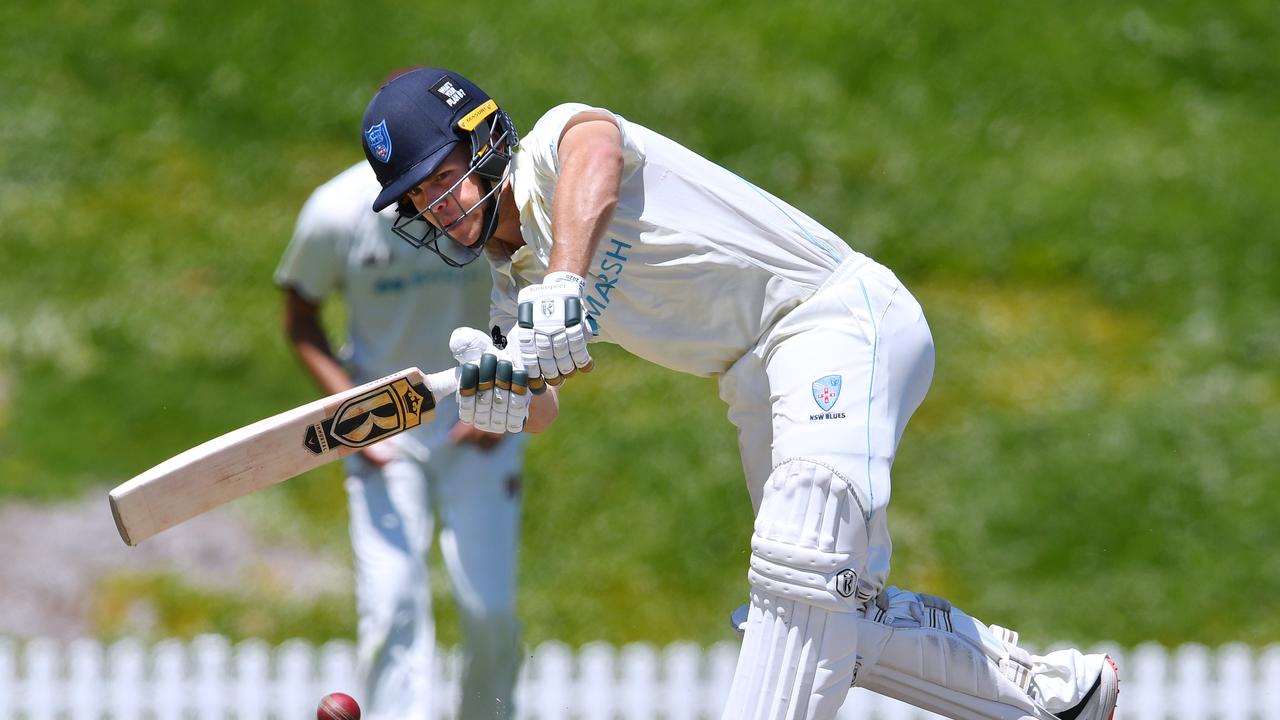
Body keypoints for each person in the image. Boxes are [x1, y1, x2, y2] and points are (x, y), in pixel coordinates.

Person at [357, 67, 1120, 720]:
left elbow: (599, 144)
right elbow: (549, 400)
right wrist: (507, 397)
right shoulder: (509, 292)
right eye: (418, 197)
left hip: (828, 315)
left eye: (441, 175)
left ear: (485, 138)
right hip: (754, 382)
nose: (437, 205)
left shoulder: (557, 151)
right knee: (823, 613)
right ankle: (1058, 698)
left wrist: (566, 281)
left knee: (801, 548)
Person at [275, 158, 527, 719]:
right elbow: (300, 317)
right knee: (391, 605)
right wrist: (348, 412)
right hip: (382, 430)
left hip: (480, 420)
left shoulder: (492, 195)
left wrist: (506, 398)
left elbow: (540, 290)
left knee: (489, 610)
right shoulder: (336, 210)